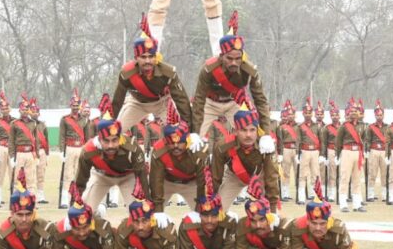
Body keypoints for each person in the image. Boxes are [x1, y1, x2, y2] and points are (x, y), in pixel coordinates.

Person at [190, 12, 271, 140]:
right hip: (210, 103)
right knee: (194, 140)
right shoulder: (208, 69)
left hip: (234, 103)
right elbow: (199, 100)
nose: (234, 63)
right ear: (221, 56)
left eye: (238, 58)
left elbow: (261, 101)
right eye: (229, 58)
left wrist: (266, 134)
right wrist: (194, 132)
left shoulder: (249, 70)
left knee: (250, 135)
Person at [112, 14, 194, 138]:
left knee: (178, 135)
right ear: (136, 58)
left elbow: (181, 99)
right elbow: (117, 101)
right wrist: (108, 123)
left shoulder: (168, 72)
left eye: (151, 57)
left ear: (156, 57)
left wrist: (189, 129)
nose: (147, 61)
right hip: (137, 104)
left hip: (162, 104)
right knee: (114, 132)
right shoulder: (127, 73)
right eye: (143, 57)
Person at [76, 96, 148, 211]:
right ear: (99, 139)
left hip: (127, 177)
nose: (111, 145)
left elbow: (142, 178)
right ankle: (98, 215)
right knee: (83, 213)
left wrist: (147, 203)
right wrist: (75, 206)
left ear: (120, 138)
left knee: (139, 213)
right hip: (101, 176)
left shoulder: (133, 149)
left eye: (114, 140)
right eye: (106, 141)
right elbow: (81, 181)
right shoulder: (88, 151)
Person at [212, 94, 280, 210]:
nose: (248, 135)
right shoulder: (222, 146)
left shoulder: (266, 146)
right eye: (243, 130)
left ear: (257, 130)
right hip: (234, 176)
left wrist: (272, 208)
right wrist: (211, 200)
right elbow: (215, 177)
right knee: (219, 210)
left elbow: (271, 177)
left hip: (260, 176)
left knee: (264, 212)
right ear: (235, 131)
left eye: (252, 130)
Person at [149, 101, 209, 213]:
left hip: (191, 183)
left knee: (203, 213)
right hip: (167, 183)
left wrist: (200, 205)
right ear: (166, 141)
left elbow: (202, 182)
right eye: (171, 143)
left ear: (187, 140)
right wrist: (158, 211)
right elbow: (156, 181)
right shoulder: (159, 151)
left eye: (180, 142)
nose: (176, 146)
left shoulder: (198, 150)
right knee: (153, 215)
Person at [334, 98, 367, 212]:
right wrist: (337, 155)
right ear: (348, 113)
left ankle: (357, 204)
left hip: (358, 153)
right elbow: (338, 142)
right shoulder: (344, 126)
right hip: (347, 152)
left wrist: (363, 152)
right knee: (345, 178)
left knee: (357, 179)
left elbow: (363, 140)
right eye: (351, 111)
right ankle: (343, 204)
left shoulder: (362, 126)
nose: (353, 113)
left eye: (355, 111)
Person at [58, 89, 86, 201]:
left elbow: (86, 137)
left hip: (81, 148)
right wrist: (61, 151)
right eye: (73, 105)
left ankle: (78, 196)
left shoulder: (84, 120)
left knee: (80, 173)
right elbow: (62, 136)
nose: (75, 107)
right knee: (68, 174)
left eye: (77, 105)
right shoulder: (65, 119)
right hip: (70, 148)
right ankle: (65, 199)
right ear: (70, 106)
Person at [298, 98, 323, 203]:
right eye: (306, 113)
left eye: (309, 113)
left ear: (312, 114)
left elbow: (321, 140)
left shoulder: (317, 126)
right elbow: (298, 140)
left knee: (315, 173)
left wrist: (321, 154)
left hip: (315, 152)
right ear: (303, 114)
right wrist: (298, 154)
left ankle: (314, 194)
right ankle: (301, 197)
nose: (307, 115)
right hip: (305, 151)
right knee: (303, 174)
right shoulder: (300, 126)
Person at [0, 90, 13, 208]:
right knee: (0, 174)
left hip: (12, 150)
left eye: (6, 108)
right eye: (3, 109)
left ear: (9, 109)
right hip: (2, 148)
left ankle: (14, 199)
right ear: (0, 110)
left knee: (13, 174)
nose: (5, 110)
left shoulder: (15, 121)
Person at [365, 99, 388, 203]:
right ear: (375, 115)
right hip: (374, 150)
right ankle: (370, 194)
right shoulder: (371, 127)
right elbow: (367, 140)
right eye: (378, 115)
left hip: (383, 151)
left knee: (384, 173)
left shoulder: (387, 127)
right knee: (372, 173)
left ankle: (385, 195)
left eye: (381, 115)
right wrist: (367, 151)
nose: (379, 117)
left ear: (383, 115)